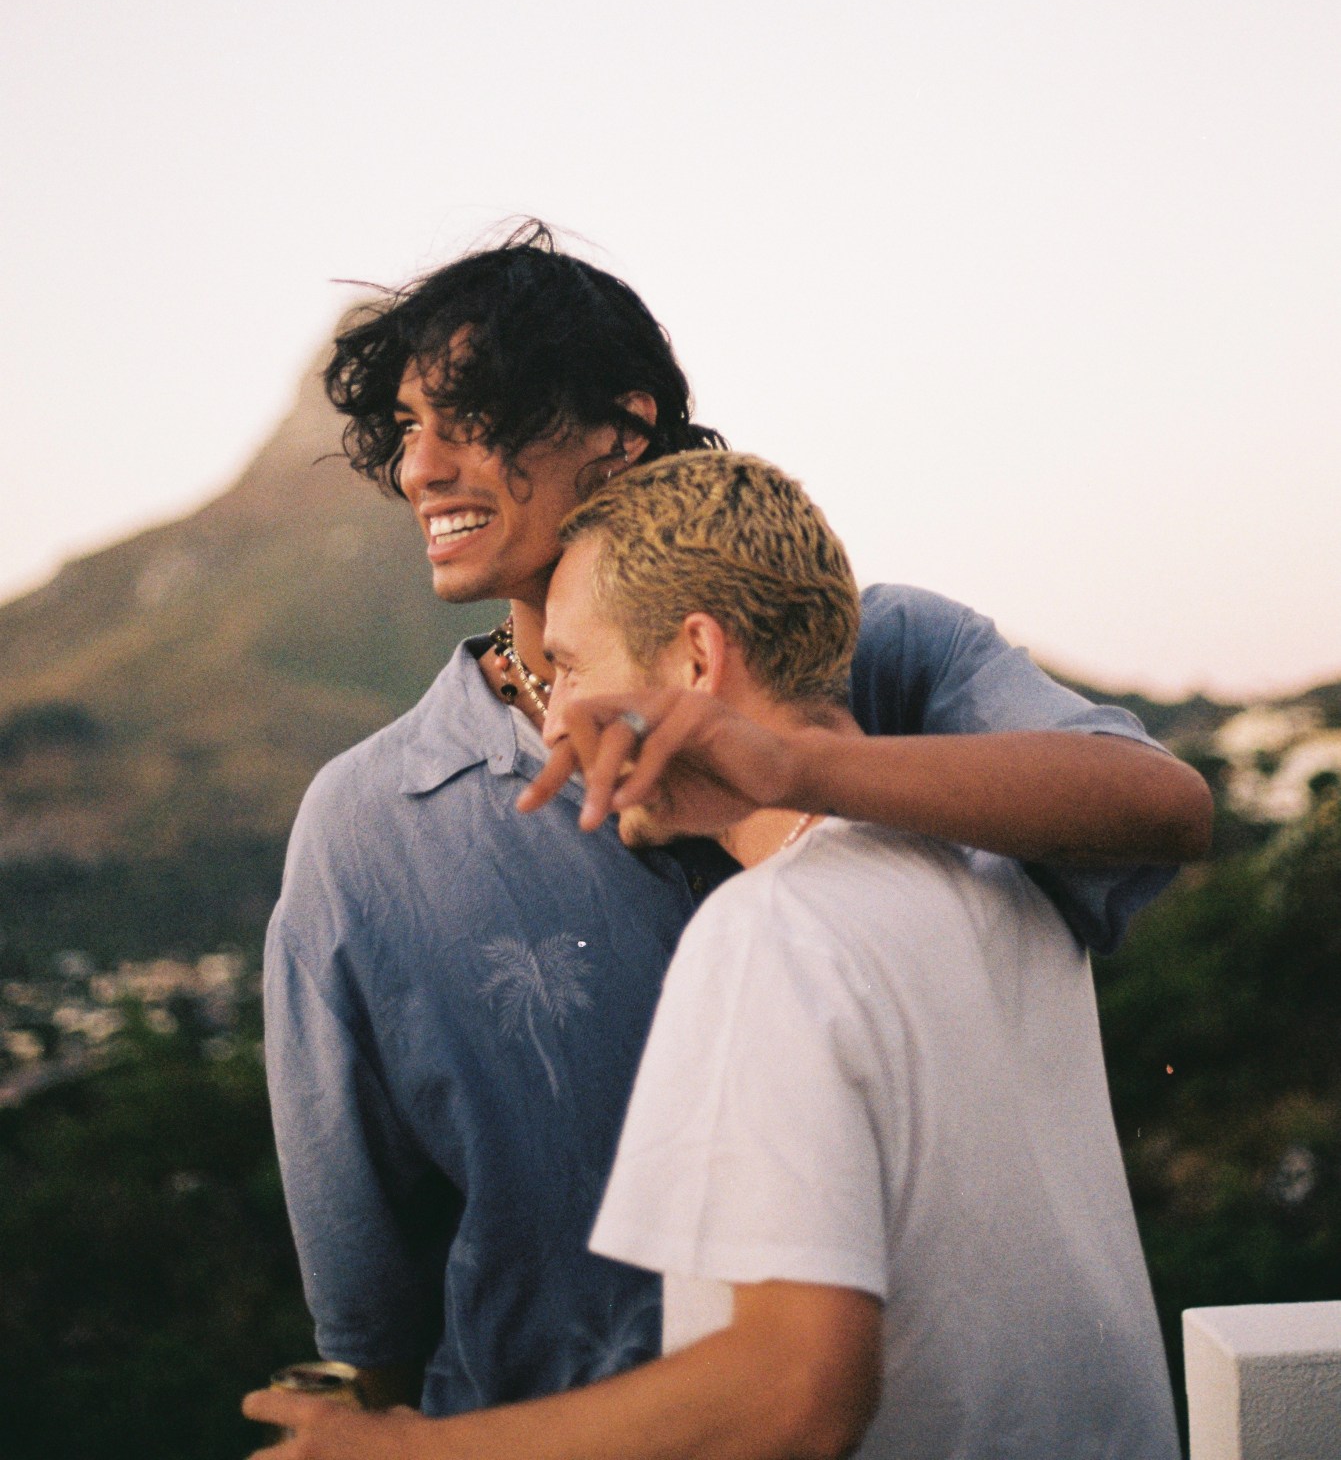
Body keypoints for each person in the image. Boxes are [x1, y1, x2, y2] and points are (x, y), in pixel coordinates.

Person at [262, 222, 1209, 1414]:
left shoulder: (877, 652)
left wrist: (794, 764)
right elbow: (371, 1309)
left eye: (471, 414)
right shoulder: (368, 825)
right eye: (407, 428)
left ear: (623, 425)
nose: (420, 468)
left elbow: (1160, 804)